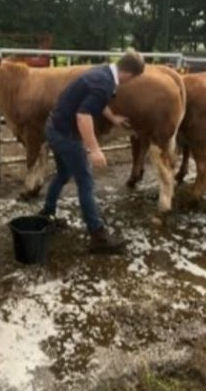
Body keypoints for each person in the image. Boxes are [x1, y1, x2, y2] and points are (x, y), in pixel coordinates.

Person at [39, 51, 146, 254]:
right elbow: (83, 116)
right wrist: (94, 149)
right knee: (86, 181)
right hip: (66, 135)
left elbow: (95, 101)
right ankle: (98, 236)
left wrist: (113, 117)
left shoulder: (103, 71)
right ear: (129, 74)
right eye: (133, 79)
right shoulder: (104, 84)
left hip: (53, 126)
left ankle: (47, 213)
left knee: (63, 174)